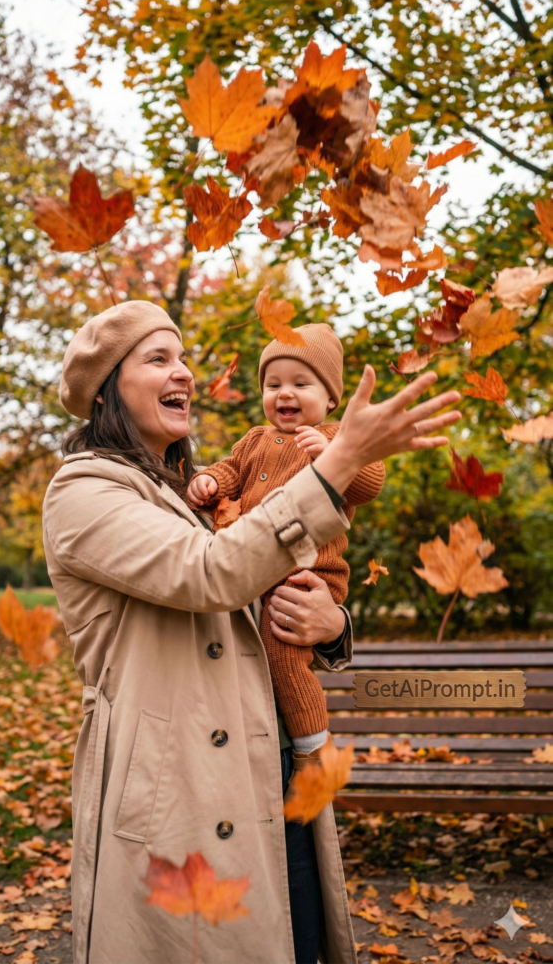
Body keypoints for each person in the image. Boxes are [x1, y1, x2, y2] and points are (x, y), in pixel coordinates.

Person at [42, 300, 461, 964]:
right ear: (107, 391)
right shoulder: (84, 492)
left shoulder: (194, 493)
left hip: (270, 763)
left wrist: (330, 625)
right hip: (177, 789)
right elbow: (209, 574)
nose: (182, 372)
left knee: (290, 942)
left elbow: (254, 598)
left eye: (182, 358)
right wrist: (342, 455)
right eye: (158, 359)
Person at [187, 323, 385, 772]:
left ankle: (313, 750)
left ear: (330, 397)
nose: (284, 393)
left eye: (300, 383)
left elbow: (370, 483)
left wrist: (335, 457)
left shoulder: (336, 438)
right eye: (273, 384)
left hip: (307, 576)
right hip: (250, 572)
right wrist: (210, 480)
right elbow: (231, 469)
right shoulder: (255, 439)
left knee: (284, 657)